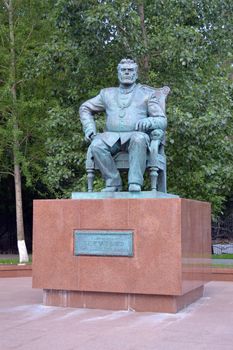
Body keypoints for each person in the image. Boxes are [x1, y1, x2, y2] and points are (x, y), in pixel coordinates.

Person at [79, 58, 167, 192]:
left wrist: (148, 121)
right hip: (111, 138)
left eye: (130, 70)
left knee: (139, 139)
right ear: (118, 73)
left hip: (136, 136)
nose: (126, 72)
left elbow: (162, 120)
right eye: (123, 70)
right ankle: (113, 182)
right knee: (96, 144)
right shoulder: (106, 94)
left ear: (136, 74)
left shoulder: (147, 94)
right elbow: (85, 108)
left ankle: (135, 182)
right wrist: (89, 127)